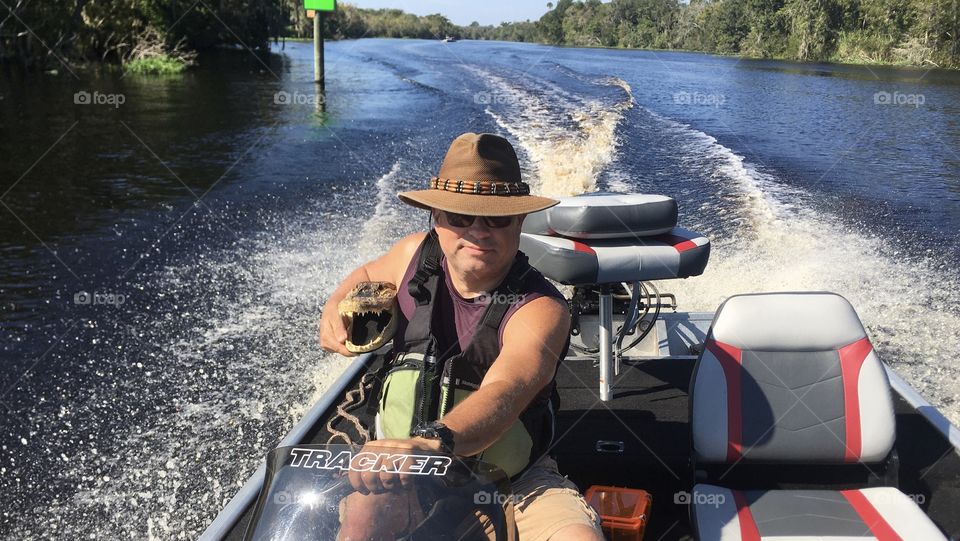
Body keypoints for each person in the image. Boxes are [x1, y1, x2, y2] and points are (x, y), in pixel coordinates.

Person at [319, 133, 603, 541]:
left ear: (519, 222)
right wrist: (335, 304)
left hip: (512, 481)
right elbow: (365, 276)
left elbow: (507, 391)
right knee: (361, 524)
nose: (478, 231)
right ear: (437, 218)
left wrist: (433, 442)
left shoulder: (542, 309)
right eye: (461, 217)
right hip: (397, 465)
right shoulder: (412, 256)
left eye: (496, 219)